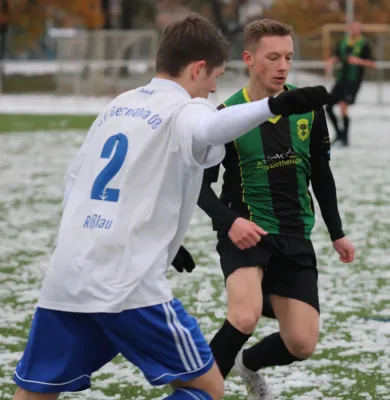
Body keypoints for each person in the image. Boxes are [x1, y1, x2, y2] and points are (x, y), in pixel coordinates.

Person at [12, 14, 330, 400]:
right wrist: (273, 106)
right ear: (198, 68)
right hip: (128, 284)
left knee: (35, 393)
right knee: (208, 386)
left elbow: (76, 183)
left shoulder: (118, 106)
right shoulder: (185, 109)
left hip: (67, 276)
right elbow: (208, 129)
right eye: (213, 76)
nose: (215, 87)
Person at [197, 19, 355, 400]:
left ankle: (248, 365)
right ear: (249, 59)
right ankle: (198, 393)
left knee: (301, 343)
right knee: (245, 315)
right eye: (273, 57)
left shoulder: (307, 108)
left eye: (288, 57)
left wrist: (337, 232)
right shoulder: (224, 116)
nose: (283, 65)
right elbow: (199, 188)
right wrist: (229, 221)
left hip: (294, 235)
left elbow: (321, 172)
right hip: (246, 231)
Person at [325, 21, 375, 146]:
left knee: (343, 106)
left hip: (353, 81)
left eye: (356, 28)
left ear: (360, 29)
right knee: (329, 107)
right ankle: (339, 133)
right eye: (352, 27)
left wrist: (358, 61)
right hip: (341, 79)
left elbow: (371, 63)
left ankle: (345, 139)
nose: (354, 30)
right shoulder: (343, 42)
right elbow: (336, 56)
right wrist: (331, 62)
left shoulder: (364, 44)